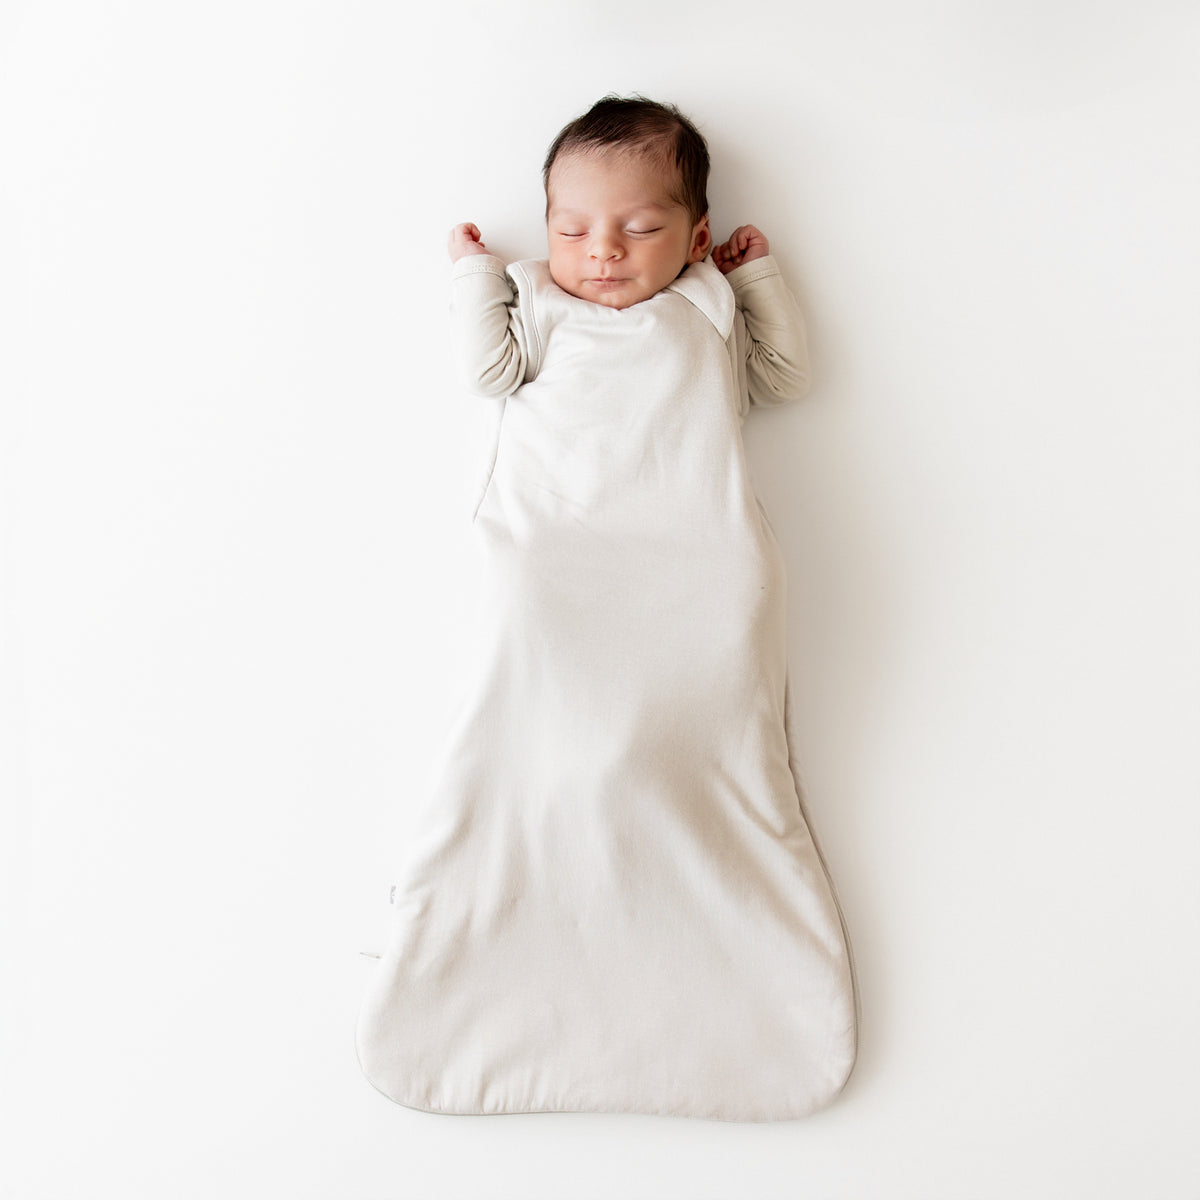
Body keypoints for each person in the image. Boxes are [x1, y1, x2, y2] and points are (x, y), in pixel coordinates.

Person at [355, 95, 857, 1123]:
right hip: (554, 564)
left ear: (697, 236)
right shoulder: (538, 302)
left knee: (687, 749)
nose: (605, 253)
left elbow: (789, 374)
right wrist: (473, 278)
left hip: (694, 569)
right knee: (543, 736)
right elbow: (484, 371)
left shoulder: (709, 307)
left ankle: (718, 974)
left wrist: (758, 277)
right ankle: (505, 941)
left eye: (640, 228)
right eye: (575, 230)